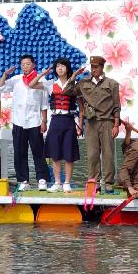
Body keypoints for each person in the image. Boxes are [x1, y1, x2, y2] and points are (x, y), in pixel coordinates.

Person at [65, 55, 120, 192]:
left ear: (102, 67)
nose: (93, 69)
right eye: (92, 67)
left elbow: (116, 106)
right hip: (91, 123)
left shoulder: (112, 84)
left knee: (108, 154)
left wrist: (116, 125)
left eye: (96, 67)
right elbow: (67, 91)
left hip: (107, 122)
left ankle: (108, 182)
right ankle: (93, 182)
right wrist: (73, 77)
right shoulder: (84, 83)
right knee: (92, 154)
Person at [29, 57, 83, 192]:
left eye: (63, 66)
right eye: (58, 66)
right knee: (55, 153)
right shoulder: (50, 83)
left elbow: (82, 108)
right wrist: (42, 74)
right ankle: (57, 182)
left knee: (69, 154)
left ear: (67, 68)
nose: (60, 68)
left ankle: (67, 183)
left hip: (70, 120)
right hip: (55, 120)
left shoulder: (75, 84)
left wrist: (80, 125)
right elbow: (32, 84)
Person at [0, 54, 49, 191]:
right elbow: (0, 88)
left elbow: (44, 104)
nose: (25, 66)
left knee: (38, 151)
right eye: (22, 64)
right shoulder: (16, 79)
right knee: (19, 152)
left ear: (33, 65)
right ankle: (23, 180)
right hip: (19, 121)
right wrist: (5, 75)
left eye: (27, 64)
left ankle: (42, 179)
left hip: (35, 121)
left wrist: (44, 121)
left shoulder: (41, 80)